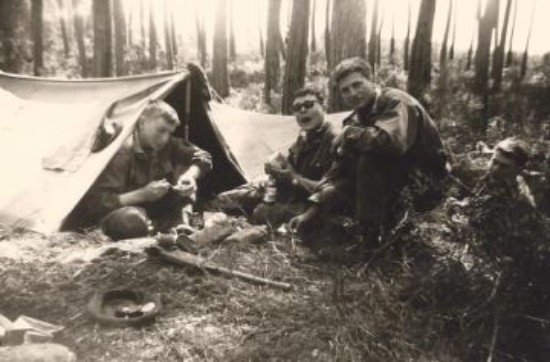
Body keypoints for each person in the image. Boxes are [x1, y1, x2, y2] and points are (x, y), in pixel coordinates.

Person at [290, 57, 448, 244]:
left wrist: (350, 134)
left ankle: (371, 243)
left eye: (357, 84)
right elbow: (337, 172)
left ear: (371, 81)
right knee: (345, 177)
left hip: (427, 186)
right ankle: (367, 234)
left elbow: (390, 143)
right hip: (393, 185)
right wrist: (309, 213)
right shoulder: (355, 120)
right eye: (345, 90)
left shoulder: (395, 101)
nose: (353, 93)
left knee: (370, 158)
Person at [83, 100, 212, 240]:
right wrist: (142, 194)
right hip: (127, 212)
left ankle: (184, 230)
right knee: (130, 222)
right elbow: (97, 203)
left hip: (158, 210)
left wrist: (190, 176)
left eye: (169, 133)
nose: (165, 138)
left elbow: (203, 156)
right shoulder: (122, 153)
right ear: (142, 123)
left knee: (189, 193)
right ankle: (165, 232)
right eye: (161, 130)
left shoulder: (168, 144)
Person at [215, 86, 337, 228]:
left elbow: (329, 190)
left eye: (309, 105)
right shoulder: (303, 137)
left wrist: (291, 178)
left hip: (311, 206)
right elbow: (291, 171)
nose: (303, 110)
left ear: (324, 107)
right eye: (297, 108)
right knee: (223, 199)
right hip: (287, 194)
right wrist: (278, 169)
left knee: (261, 213)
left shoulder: (334, 140)